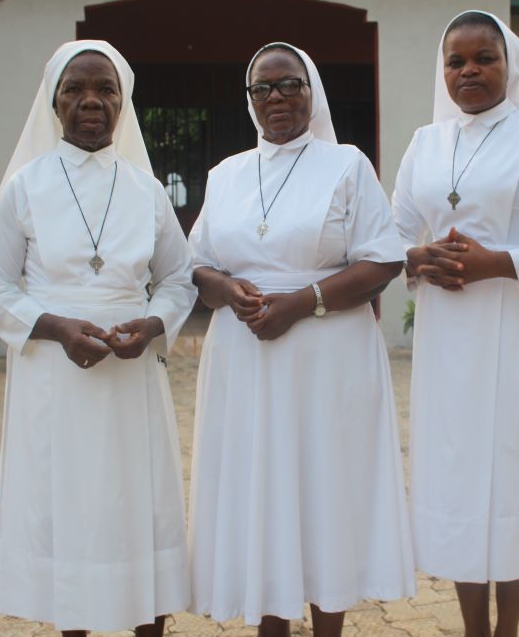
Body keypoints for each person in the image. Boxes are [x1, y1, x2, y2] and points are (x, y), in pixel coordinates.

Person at [187, 42, 415, 637]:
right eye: (261, 88)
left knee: (322, 492)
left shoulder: (346, 165)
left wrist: (301, 302)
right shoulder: (226, 174)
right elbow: (199, 266)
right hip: (245, 357)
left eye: (289, 84)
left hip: (326, 355)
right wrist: (228, 289)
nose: (276, 98)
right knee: (262, 494)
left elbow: (383, 260)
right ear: (249, 100)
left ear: (312, 91)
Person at [0, 40, 196, 636]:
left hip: (131, 379)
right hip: (55, 373)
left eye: (105, 90)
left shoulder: (148, 191)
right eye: (76, 89)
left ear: (123, 104)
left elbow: (179, 277)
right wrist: (56, 328)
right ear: (54, 101)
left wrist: (152, 325)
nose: (91, 101)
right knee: (67, 507)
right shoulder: (25, 187)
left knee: (137, 507)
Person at [392, 11, 519, 637]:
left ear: (511, 64)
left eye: (484, 57)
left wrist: (498, 263)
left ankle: (506, 629)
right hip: (448, 341)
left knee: (510, 477)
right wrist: (418, 260)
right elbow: (391, 239)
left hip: (517, 333)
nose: (469, 71)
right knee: (456, 481)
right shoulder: (425, 143)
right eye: (456, 61)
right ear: (444, 71)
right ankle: (473, 627)